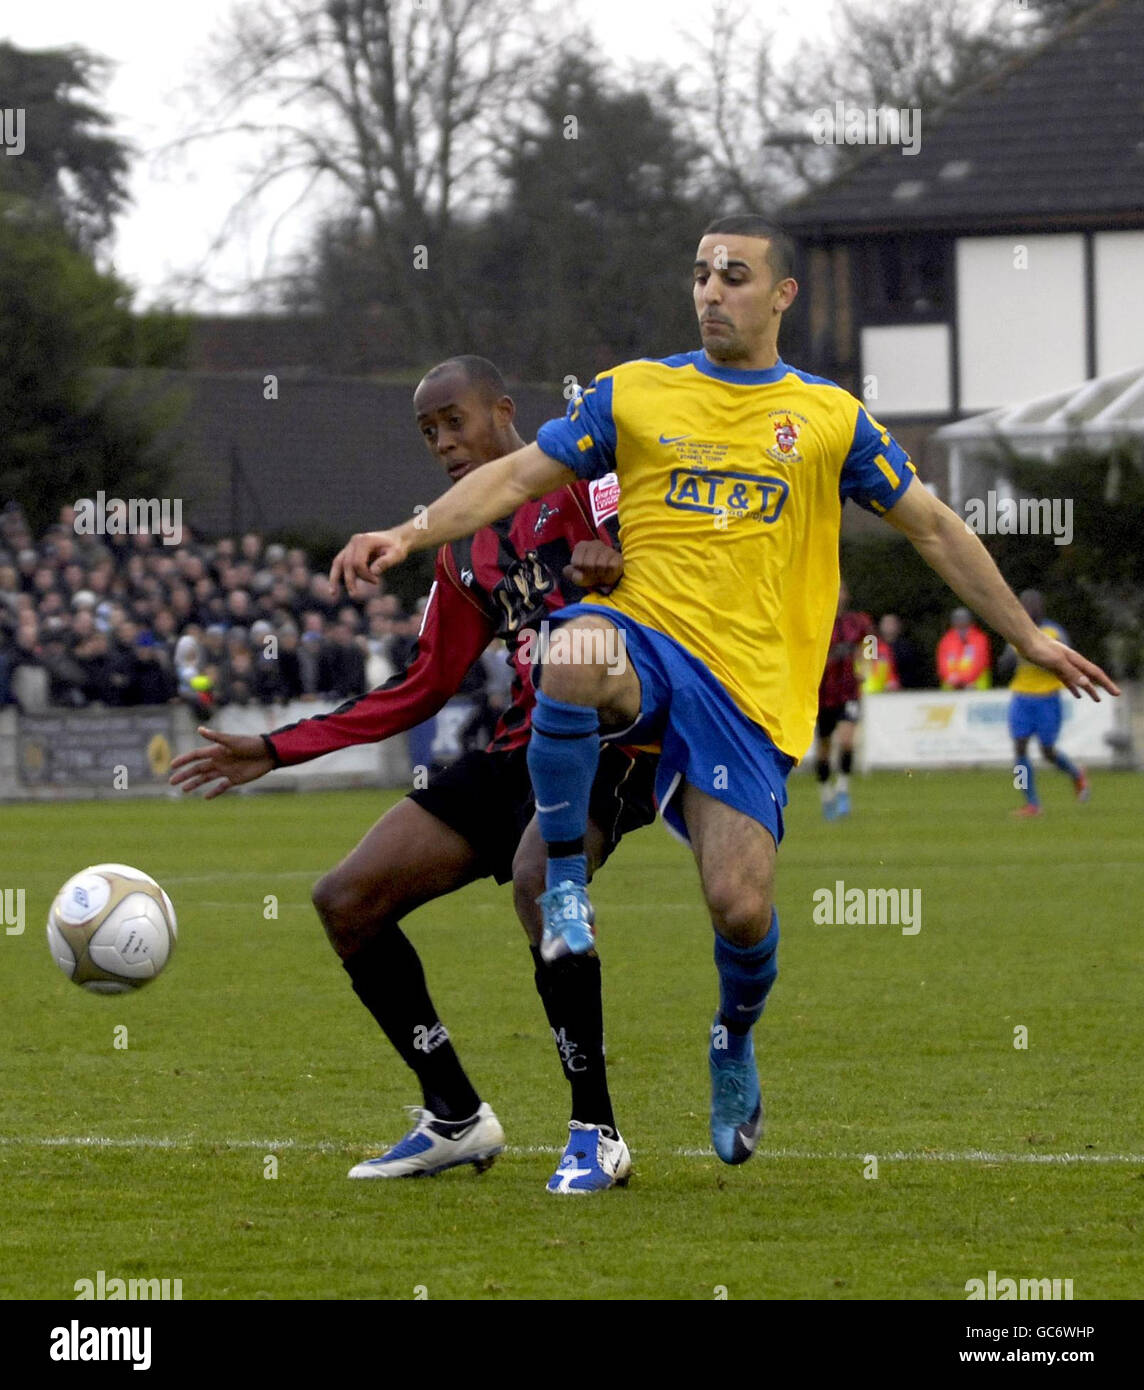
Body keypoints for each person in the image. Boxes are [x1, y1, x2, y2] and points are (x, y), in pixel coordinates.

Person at [331, 214, 1119, 1172]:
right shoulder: (636, 393)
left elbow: (935, 528)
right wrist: (411, 535)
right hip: (647, 641)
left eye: (734, 275)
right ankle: (566, 888)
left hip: (749, 696)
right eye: (701, 273)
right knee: (571, 648)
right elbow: (514, 478)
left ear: (781, 295)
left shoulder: (830, 418)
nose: (711, 290)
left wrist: (1027, 635)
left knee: (739, 908)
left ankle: (733, 1037)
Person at [171, 355, 657, 1194]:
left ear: (504, 410)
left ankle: (597, 1131)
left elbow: (684, 564)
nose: (443, 443)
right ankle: (455, 1115)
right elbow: (421, 688)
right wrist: (277, 747)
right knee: (346, 899)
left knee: (542, 880)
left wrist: (616, 559)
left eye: (455, 421)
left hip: (615, 743)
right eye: (428, 432)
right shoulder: (460, 549)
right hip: (515, 747)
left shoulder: (592, 482)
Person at [999, 590, 1090, 817]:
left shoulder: (1053, 632)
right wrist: (1011, 657)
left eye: (1034, 605)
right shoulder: (1016, 633)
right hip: (1021, 696)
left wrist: (1043, 659)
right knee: (1019, 748)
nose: (1030, 610)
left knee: (1047, 750)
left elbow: (1069, 660)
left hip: (1048, 697)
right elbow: (1003, 667)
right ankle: (1030, 802)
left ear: (1041, 608)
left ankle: (1075, 773)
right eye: (1026, 606)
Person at [814, 580, 872, 819]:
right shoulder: (815, 620)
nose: (838, 596)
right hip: (822, 694)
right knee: (824, 748)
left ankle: (843, 789)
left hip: (848, 691)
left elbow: (871, 643)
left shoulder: (858, 622)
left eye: (841, 591)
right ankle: (826, 792)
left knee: (847, 740)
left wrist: (866, 664)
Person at [937, 607, 992, 690]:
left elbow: (980, 662)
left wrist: (965, 680)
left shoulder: (980, 639)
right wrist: (953, 679)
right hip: (951, 687)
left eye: (963, 618)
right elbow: (942, 664)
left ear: (969, 620)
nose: (960, 621)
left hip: (975, 687)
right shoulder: (946, 640)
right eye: (957, 618)